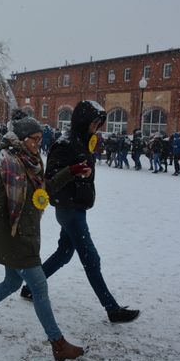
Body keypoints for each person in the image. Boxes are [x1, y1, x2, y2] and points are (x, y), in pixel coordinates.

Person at [0, 110, 84, 361]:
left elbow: (45, 191)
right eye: (34, 138)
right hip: (14, 236)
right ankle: (58, 343)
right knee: (39, 286)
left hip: (29, 232)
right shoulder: (9, 165)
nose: (38, 143)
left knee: (11, 282)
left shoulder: (32, 162)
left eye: (40, 138)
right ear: (21, 138)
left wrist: (70, 171)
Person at [20, 101, 140, 323]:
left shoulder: (83, 142)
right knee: (91, 258)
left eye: (99, 122)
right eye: (94, 122)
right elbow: (51, 181)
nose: (97, 126)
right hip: (69, 210)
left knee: (64, 253)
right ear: (83, 121)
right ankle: (112, 309)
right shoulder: (65, 144)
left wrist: (83, 177)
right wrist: (75, 174)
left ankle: (30, 287)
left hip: (77, 208)